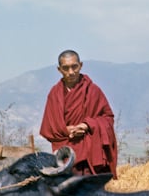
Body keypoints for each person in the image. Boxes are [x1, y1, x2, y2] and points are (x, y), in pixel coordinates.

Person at [40, 50, 118, 178]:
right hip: (66, 154)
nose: (71, 72)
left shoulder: (92, 90)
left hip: (90, 152)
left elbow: (108, 118)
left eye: (74, 66)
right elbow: (48, 128)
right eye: (66, 68)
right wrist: (66, 130)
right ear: (59, 70)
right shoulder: (55, 94)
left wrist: (87, 125)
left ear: (81, 65)